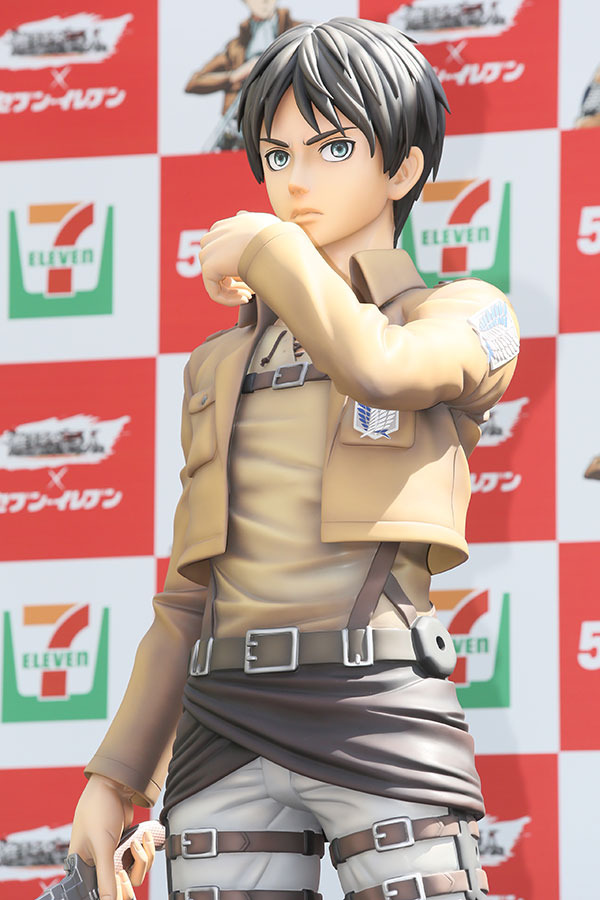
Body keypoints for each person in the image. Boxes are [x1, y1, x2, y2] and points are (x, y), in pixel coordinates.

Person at [69, 17, 520, 900]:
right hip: (223, 721)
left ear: (403, 169)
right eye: (277, 156)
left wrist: (269, 251)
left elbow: (380, 368)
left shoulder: (466, 315)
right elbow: (190, 594)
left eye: (334, 147)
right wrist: (117, 777)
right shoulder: (220, 363)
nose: (297, 181)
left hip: (379, 705)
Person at [184, 0, 301, 150]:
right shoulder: (236, 46)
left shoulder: (302, 31)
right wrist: (234, 76)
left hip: (288, 122)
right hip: (243, 128)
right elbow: (194, 82)